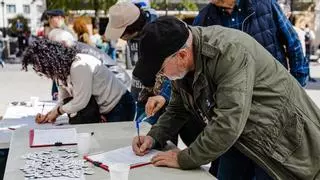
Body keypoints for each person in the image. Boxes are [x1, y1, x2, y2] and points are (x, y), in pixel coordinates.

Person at [131, 16, 320, 180]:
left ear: (182, 55)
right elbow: (178, 109)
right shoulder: (183, 62)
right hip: (241, 140)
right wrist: (154, 137)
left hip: (281, 142)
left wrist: (184, 158)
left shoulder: (229, 51)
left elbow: (229, 120)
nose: (161, 76)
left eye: (162, 70)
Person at [193, 0, 308, 87]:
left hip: (273, 89)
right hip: (232, 100)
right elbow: (195, 62)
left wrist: (297, 83)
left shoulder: (265, 5)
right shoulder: (203, 19)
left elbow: (293, 43)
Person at [22, 39, 135, 124]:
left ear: (50, 62)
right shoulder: (60, 72)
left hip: (120, 106)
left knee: (110, 149)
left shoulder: (78, 66)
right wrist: (49, 114)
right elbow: (64, 99)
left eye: (41, 69)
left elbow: (81, 101)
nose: (43, 74)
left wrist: (58, 112)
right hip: (106, 108)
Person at [105, 2, 168, 125]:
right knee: (139, 132)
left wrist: (163, 95)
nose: (121, 38)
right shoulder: (135, 31)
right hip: (140, 90)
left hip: (158, 94)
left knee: (158, 135)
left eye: (122, 34)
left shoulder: (156, 34)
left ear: (131, 28)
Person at [48, 28, 131, 89]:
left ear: (63, 43)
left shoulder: (79, 54)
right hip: (114, 81)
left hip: (118, 82)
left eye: (54, 47)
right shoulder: (75, 48)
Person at [41, 9, 77, 101]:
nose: (50, 20)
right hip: (57, 71)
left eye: (52, 17)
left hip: (64, 72)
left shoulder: (66, 33)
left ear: (60, 18)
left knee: (64, 99)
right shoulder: (56, 31)